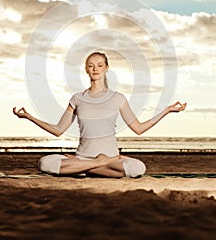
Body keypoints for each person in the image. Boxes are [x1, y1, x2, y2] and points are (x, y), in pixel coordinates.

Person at [13, 51, 187, 178]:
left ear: (106, 68)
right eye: (91, 65)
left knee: (137, 167)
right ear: (86, 70)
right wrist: (28, 116)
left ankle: (81, 170)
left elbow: (138, 128)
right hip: (84, 158)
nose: (95, 69)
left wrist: (166, 111)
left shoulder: (118, 98)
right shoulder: (77, 99)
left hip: (109, 159)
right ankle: (96, 165)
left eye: (99, 65)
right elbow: (58, 130)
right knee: (45, 163)